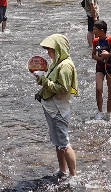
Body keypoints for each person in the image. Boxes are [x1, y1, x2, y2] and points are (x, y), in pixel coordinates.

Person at [33, 34, 79, 183]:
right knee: (58, 143)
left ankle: (73, 176)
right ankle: (62, 171)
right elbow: (52, 84)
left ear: (59, 48)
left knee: (64, 144)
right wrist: (41, 92)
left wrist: (42, 80)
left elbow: (63, 89)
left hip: (58, 110)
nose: (48, 52)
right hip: (52, 109)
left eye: (50, 49)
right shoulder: (56, 63)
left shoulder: (65, 65)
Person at [91, 21, 111, 120]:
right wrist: (100, 58)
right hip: (100, 68)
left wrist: (108, 55)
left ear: (102, 30)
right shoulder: (95, 41)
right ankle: (100, 112)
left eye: (94, 29)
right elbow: (93, 55)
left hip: (110, 67)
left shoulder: (110, 40)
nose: (93, 31)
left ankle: (109, 113)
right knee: (99, 89)